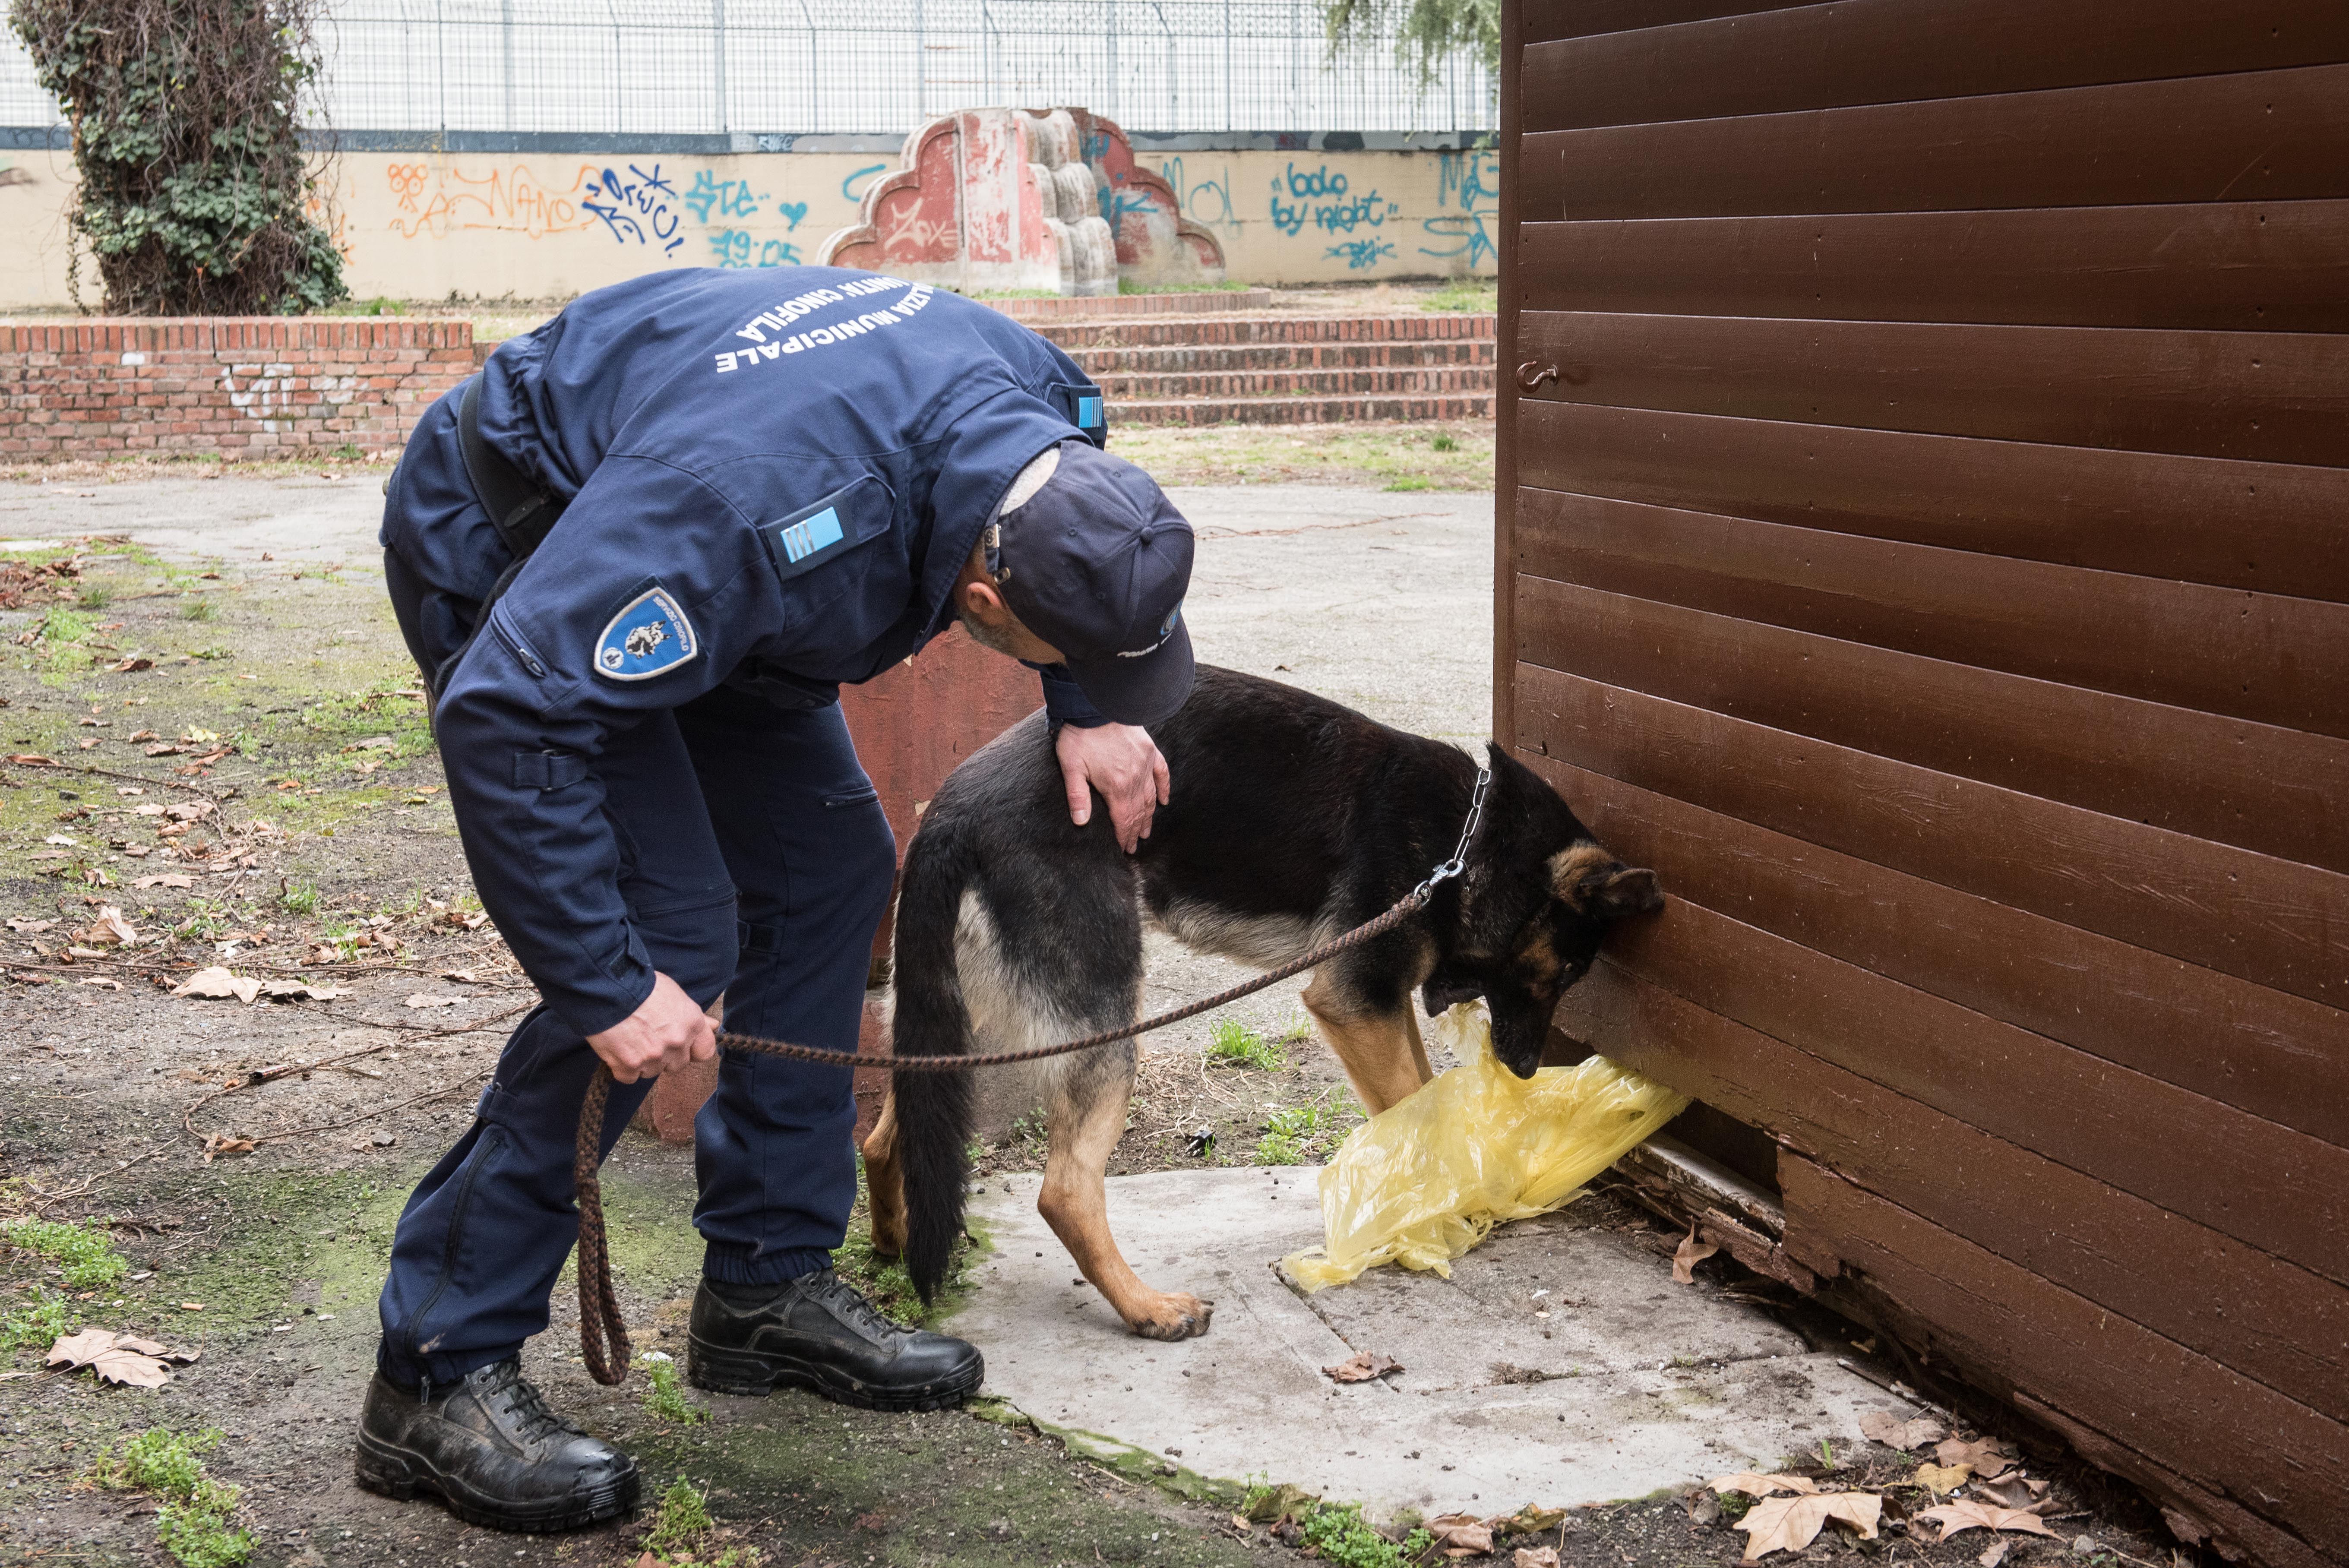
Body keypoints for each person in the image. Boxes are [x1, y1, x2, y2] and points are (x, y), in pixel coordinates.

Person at [354, 266, 1195, 1533]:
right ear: (982, 602)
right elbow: (509, 712)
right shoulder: (747, 509)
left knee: (825, 874)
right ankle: (433, 1370)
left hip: (723, 567)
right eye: (1060, 654)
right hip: (521, 538)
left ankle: (762, 1288)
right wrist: (606, 983)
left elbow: (1090, 502)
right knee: (666, 946)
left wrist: (1089, 707)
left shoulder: (1034, 405)